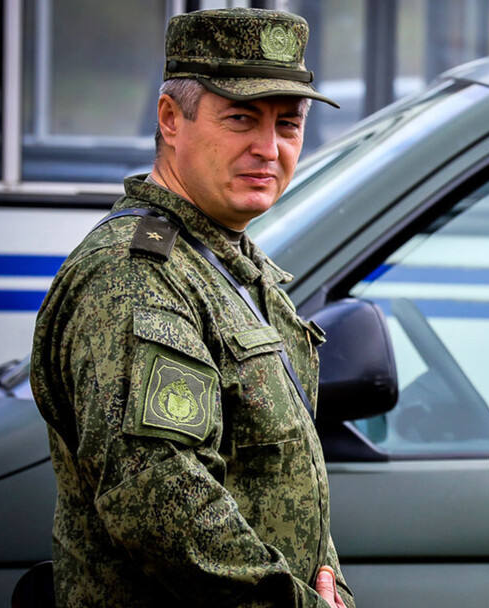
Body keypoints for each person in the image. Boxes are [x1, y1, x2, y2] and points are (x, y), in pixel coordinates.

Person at [29, 8, 353, 607]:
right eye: (240, 118)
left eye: (288, 124)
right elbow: (162, 506)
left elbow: (280, 477)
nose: (269, 148)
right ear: (170, 119)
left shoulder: (226, 263)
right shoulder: (134, 277)